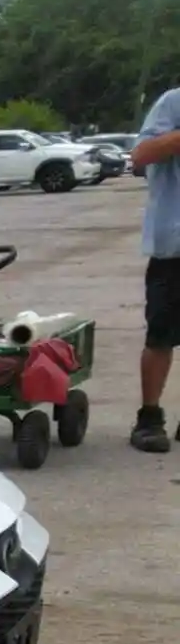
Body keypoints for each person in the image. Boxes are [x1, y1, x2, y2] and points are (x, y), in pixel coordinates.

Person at [131, 87, 180, 453]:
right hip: (173, 247)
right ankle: (149, 418)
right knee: (160, 334)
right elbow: (142, 155)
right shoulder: (173, 103)